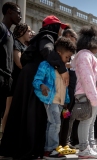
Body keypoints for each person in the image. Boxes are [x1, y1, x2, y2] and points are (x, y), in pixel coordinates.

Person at [0, 15, 69, 159]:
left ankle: (19, 148)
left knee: (23, 112)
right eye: (60, 28)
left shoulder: (40, 37)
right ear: (54, 27)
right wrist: (62, 69)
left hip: (29, 76)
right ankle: (30, 149)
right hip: (34, 78)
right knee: (33, 113)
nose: (61, 32)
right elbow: (47, 51)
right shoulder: (47, 37)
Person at [33, 37, 76, 159]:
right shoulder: (46, 65)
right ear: (59, 53)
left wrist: (66, 101)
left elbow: (65, 87)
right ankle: (51, 149)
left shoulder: (64, 69)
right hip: (50, 100)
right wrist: (42, 86)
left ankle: (48, 149)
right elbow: (37, 80)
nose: (68, 60)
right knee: (55, 123)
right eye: (67, 57)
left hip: (59, 103)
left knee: (53, 124)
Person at [71, 25, 97, 159]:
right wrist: (93, 98)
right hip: (88, 94)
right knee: (86, 122)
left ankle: (91, 146)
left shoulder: (88, 55)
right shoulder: (85, 55)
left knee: (90, 123)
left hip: (93, 95)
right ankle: (84, 148)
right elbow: (87, 78)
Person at [2, 23, 31, 133]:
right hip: (15, 80)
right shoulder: (16, 43)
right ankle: (3, 134)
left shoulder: (25, 45)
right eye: (28, 31)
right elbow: (19, 63)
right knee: (8, 109)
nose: (30, 33)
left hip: (21, 81)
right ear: (21, 31)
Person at [0, 2, 21, 129]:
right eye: (18, 13)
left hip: (6, 80)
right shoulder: (1, 28)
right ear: (9, 11)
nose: (20, 16)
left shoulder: (10, 34)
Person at [58, 28, 79, 153]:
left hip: (71, 90)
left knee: (67, 115)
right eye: (73, 38)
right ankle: (56, 142)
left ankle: (65, 141)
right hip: (61, 87)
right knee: (59, 116)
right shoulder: (60, 53)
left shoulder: (74, 55)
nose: (75, 41)